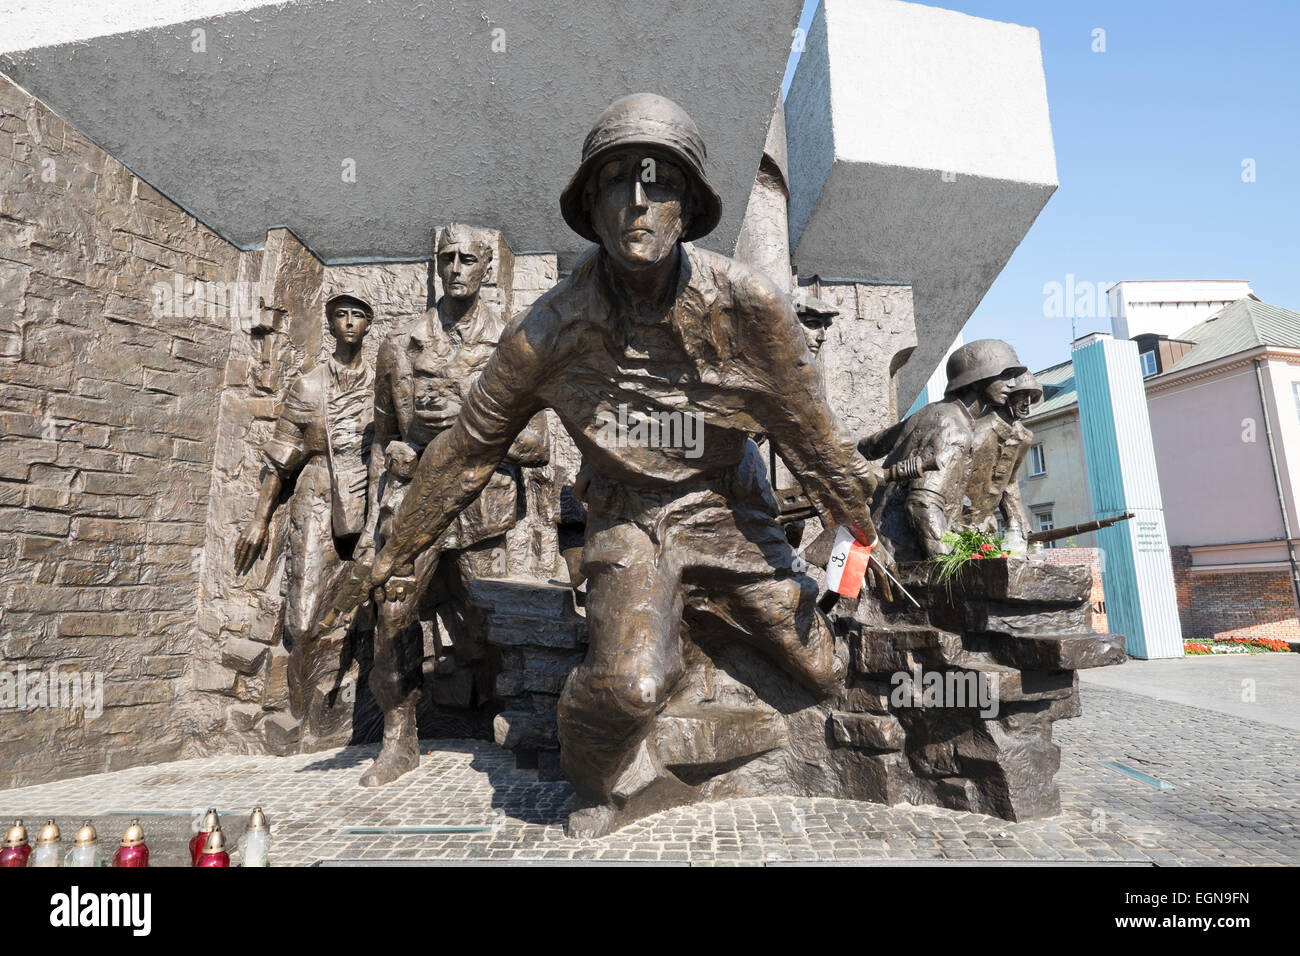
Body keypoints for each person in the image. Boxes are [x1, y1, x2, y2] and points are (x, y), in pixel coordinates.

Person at [367, 93, 893, 834]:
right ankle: (607, 774)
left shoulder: (749, 308)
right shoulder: (549, 329)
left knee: (821, 668)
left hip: (728, 508)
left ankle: (705, 627)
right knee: (632, 683)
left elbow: (813, 442)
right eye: (618, 182)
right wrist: (392, 551)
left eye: (661, 184)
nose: (639, 205)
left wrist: (865, 530)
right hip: (627, 515)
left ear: (690, 206)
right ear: (591, 203)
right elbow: (464, 452)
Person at [360, 223, 548, 786]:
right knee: (391, 617)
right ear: (436, 267)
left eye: (469, 259)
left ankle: (520, 730)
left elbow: (537, 444)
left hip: (482, 509)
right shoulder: (399, 345)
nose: (457, 268)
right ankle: (399, 739)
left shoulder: (514, 345)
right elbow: (382, 438)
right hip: (414, 504)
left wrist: (473, 419)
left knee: (498, 623)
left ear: (487, 269)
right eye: (448, 258)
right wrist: (397, 451)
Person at [233, 293, 375, 722]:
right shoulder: (308, 385)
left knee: (376, 599)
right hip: (316, 488)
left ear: (369, 323)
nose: (349, 322)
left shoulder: (380, 384)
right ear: (330, 325)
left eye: (357, 315)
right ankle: (301, 712)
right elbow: (281, 456)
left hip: (369, 488)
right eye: (340, 315)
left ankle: (363, 705)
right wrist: (259, 518)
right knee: (303, 612)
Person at [860, 339, 1027, 561]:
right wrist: (947, 565)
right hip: (901, 554)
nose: (1012, 384)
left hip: (875, 540)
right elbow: (922, 503)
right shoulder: (955, 429)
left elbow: (869, 447)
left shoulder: (931, 411)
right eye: (1004, 375)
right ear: (978, 378)